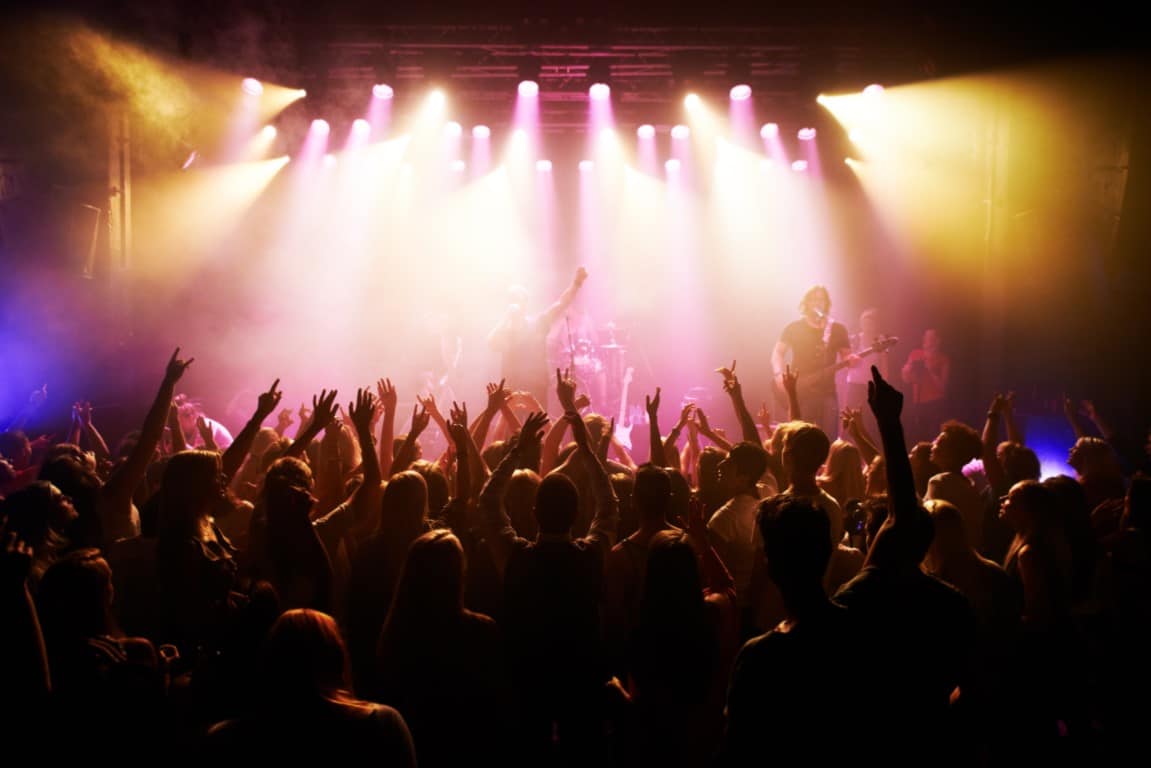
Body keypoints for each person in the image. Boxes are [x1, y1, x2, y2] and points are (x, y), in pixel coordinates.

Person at [486, 266, 588, 409]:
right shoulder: (505, 330)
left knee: (538, 428)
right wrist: (505, 318)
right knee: (512, 430)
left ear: (525, 303)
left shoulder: (538, 324)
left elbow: (560, 304)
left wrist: (576, 284)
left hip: (535, 389)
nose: (513, 303)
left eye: (517, 299)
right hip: (511, 390)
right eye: (510, 299)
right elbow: (490, 342)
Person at [771, 285, 854, 440]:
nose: (817, 303)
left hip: (827, 392)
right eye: (813, 299)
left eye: (821, 299)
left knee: (828, 439)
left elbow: (847, 356)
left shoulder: (837, 329)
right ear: (806, 303)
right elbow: (777, 352)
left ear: (826, 303)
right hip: (801, 391)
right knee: (800, 437)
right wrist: (778, 374)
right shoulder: (794, 328)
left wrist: (852, 360)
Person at [901, 328, 951, 443]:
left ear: (937, 341)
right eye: (925, 337)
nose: (926, 340)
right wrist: (906, 371)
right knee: (919, 437)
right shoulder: (916, 353)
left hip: (935, 403)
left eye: (930, 338)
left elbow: (943, 388)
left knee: (934, 437)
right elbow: (906, 379)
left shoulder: (943, 359)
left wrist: (930, 370)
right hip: (918, 402)